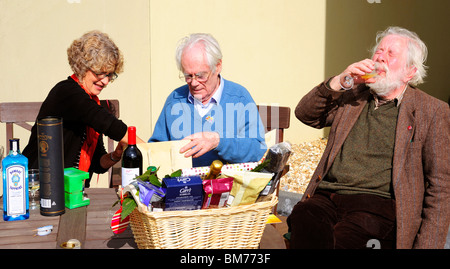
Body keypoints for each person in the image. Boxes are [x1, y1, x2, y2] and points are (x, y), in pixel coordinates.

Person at [287, 26, 450, 249]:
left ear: (409, 72)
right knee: (303, 215)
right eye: (378, 51)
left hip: (376, 205)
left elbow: (441, 188)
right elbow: (306, 114)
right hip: (327, 196)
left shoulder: (432, 111)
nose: (379, 57)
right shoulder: (354, 97)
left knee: (341, 241)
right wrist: (339, 81)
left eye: (391, 54)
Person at [23, 30, 136, 187]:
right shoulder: (67, 92)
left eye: (110, 75)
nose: (105, 81)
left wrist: (115, 156)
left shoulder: (92, 103)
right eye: (100, 73)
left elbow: (97, 163)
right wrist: (147, 150)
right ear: (83, 67)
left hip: (74, 194)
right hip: (40, 189)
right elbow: (107, 123)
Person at [149, 33, 267, 167]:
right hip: (182, 185)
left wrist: (218, 141)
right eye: (188, 76)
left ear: (217, 66)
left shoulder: (239, 98)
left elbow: (257, 150)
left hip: (227, 185)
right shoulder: (176, 99)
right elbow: (156, 149)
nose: (193, 83)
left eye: (200, 76)